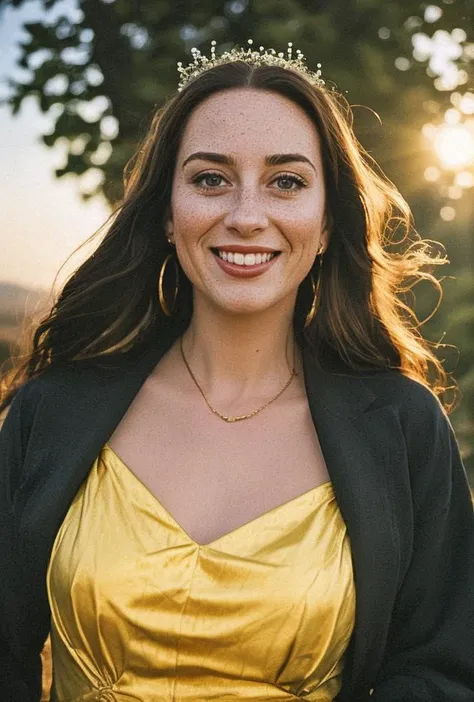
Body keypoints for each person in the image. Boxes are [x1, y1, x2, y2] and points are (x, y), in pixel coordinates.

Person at [0, 39, 473, 702]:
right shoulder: (51, 409)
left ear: (328, 221)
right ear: (168, 213)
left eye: (286, 182)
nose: (247, 217)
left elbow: (441, 669)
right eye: (210, 179)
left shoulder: (404, 427)